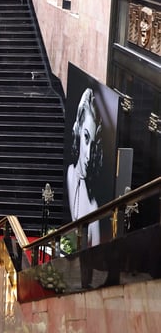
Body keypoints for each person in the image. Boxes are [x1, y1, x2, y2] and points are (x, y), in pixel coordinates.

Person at [66, 88, 102, 246]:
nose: (88, 155)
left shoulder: (93, 207)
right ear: (79, 130)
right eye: (86, 138)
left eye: (92, 145)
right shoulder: (70, 173)